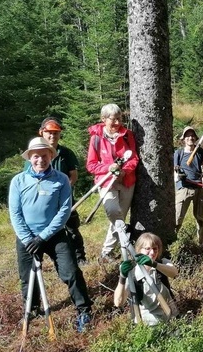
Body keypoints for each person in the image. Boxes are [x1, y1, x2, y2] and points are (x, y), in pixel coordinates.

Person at [9, 137, 92, 332]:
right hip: (26, 238)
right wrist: (29, 239)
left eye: (44, 155)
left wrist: (43, 237)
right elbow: (15, 213)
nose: (40, 160)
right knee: (27, 278)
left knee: (70, 272)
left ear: (50, 156)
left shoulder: (61, 179)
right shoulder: (18, 181)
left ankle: (84, 310)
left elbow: (64, 212)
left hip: (54, 235)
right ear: (30, 157)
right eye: (36, 156)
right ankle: (32, 310)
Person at [26, 117, 87, 265]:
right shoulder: (34, 153)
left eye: (56, 133)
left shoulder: (66, 153)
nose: (52, 136)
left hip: (65, 199)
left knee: (72, 229)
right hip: (44, 202)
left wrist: (63, 191)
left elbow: (73, 175)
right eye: (49, 133)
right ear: (42, 133)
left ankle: (80, 257)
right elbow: (28, 178)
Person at [86, 104, 139, 262]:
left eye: (119, 119)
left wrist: (125, 171)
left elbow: (134, 158)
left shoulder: (127, 135)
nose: (116, 123)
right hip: (106, 182)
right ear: (103, 119)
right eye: (112, 119)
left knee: (120, 216)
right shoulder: (96, 138)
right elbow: (91, 165)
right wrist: (108, 168)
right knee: (114, 213)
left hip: (127, 182)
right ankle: (125, 242)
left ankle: (107, 252)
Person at [114, 232, 178, 326]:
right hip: (146, 325)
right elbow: (118, 302)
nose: (152, 253)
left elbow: (174, 273)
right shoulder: (132, 273)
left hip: (170, 319)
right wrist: (123, 277)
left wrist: (154, 264)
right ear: (138, 250)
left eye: (155, 249)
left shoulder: (162, 264)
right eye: (147, 249)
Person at [174, 126, 203, 245]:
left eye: (192, 135)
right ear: (183, 139)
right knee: (177, 218)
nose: (190, 138)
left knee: (200, 218)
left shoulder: (201, 152)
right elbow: (175, 171)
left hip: (199, 188)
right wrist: (178, 176)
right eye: (187, 136)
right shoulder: (178, 153)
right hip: (184, 189)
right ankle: (172, 243)